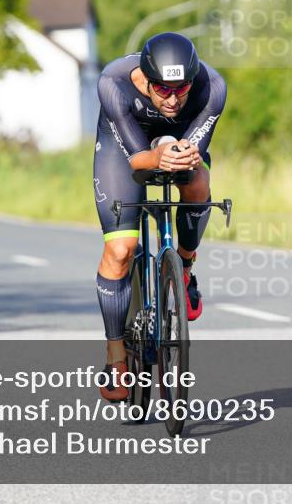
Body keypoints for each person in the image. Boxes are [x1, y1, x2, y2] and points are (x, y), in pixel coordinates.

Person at [92, 32, 226, 401]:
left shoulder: (213, 87)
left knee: (198, 182)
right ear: (145, 79)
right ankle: (116, 355)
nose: (172, 98)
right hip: (123, 146)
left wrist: (181, 153)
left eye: (181, 89)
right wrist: (157, 155)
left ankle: (184, 267)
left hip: (179, 138)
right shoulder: (113, 82)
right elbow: (138, 159)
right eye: (163, 89)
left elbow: (193, 149)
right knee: (121, 250)